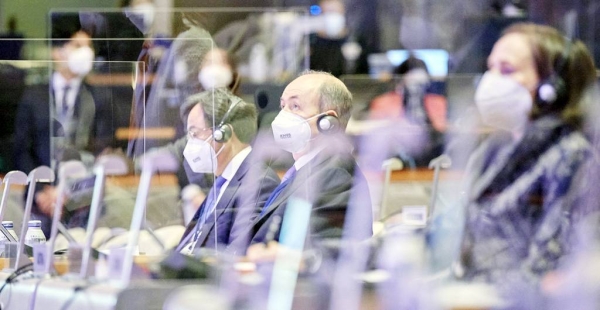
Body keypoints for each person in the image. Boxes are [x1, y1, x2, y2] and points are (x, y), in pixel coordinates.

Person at [454, 23, 596, 292]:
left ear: (551, 88)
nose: (491, 79)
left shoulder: (572, 155)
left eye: (506, 69)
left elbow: (551, 269)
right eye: (490, 67)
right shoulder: (496, 149)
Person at [246, 70, 373, 259]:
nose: (282, 115)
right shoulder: (304, 170)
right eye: (283, 106)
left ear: (328, 122)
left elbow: (318, 253)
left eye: (295, 106)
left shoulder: (336, 174)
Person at [13, 14, 107, 237]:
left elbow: (99, 150)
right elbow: (21, 150)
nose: (86, 53)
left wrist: (67, 190)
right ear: (57, 52)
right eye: (77, 46)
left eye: (88, 46)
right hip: (38, 203)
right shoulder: (34, 96)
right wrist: (41, 192)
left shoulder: (97, 98)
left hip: (82, 203)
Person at [175, 88, 280, 255]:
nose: (189, 143)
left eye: (194, 134)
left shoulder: (259, 183)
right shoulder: (223, 182)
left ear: (222, 134)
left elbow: (237, 254)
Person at [368, 54, 447, 167]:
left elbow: (444, 128)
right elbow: (378, 133)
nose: (418, 88)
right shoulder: (383, 102)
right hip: (397, 154)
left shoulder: (438, 102)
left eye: (421, 84)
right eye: (413, 83)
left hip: (431, 151)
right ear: (400, 82)